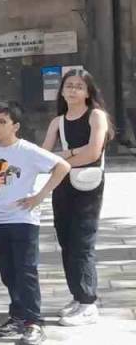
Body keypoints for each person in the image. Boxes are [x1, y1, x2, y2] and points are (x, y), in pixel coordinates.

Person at [0, 101, 70, 345]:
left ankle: (34, 321)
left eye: (2, 122)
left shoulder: (27, 150)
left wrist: (39, 196)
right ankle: (18, 314)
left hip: (22, 219)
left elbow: (62, 166)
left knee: (25, 271)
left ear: (16, 126)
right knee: (8, 272)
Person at [42, 69, 112, 327]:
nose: (73, 90)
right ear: (61, 91)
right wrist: (70, 154)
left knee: (82, 242)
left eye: (79, 86)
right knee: (66, 241)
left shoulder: (96, 116)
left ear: (88, 92)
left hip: (88, 187)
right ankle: (77, 296)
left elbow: (93, 153)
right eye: (69, 86)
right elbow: (45, 157)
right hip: (63, 185)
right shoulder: (57, 122)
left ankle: (88, 302)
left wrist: (65, 154)